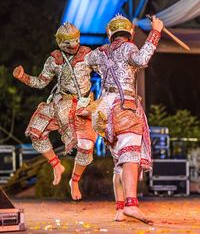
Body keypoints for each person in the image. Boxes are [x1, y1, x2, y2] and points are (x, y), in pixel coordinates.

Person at [82, 14, 163, 224]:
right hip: (124, 105)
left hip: (105, 109)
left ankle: (120, 209)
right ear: (129, 33)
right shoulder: (128, 47)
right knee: (131, 156)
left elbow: (85, 62)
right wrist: (155, 32)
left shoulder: (100, 52)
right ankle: (131, 204)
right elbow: (142, 59)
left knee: (118, 161)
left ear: (111, 33)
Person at [13, 22, 97, 200]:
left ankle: (74, 181)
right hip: (60, 103)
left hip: (82, 106)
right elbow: (41, 82)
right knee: (35, 132)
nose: (74, 45)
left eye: (76, 40)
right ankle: (56, 165)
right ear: (60, 42)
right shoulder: (54, 59)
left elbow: (107, 72)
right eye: (69, 42)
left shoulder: (88, 55)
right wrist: (23, 77)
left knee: (86, 146)